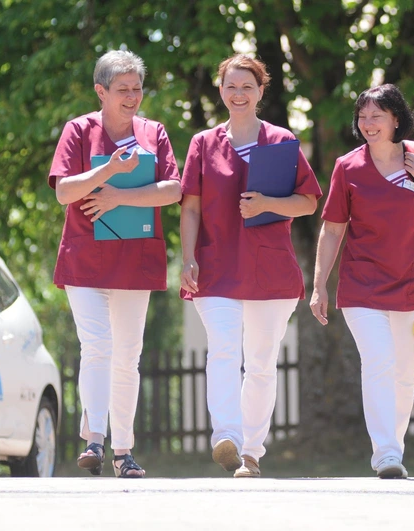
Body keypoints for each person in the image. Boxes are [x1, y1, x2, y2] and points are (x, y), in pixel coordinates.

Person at [179, 54, 322, 478]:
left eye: (247, 87)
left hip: (270, 271)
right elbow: (189, 208)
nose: (238, 94)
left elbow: (309, 200)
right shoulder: (203, 144)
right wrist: (187, 256)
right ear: (220, 91)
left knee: (260, 363)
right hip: (216, 267)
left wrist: (268, 205)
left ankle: (251, 453)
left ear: (261, 92)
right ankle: (227, 436)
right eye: (230, 86)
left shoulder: (281, 141)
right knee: (223, 351)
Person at [47, 50, 181, 478]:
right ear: (100, 91)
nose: (132, 97)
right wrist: (106, 171)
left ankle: (124, 452)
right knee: (97, 347)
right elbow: (64, 192)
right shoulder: (79, 130)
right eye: (122, 89)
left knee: (128, 356)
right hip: (85, 259)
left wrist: (120, 196)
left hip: (133, 258)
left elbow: (173, 189)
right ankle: (95, 440)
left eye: (137, 88)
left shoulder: (153, 132)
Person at [309, 84, 414, 479]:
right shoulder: (347, 166)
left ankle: (394, 446)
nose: (368, 123)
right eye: (363, 116)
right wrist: (319, 284)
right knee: (377, 362)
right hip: (362, 285)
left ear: (396, 119)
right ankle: (386, 455)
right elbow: (334, 229)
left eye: (377, 115)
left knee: (405, 372)